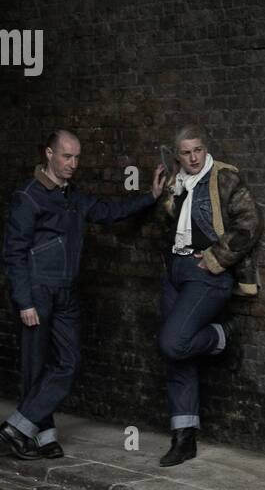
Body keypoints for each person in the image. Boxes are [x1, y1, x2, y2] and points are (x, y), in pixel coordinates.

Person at [1, 130, 165, 460]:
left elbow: (108, 212)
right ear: (49, 154)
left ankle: (17, 429)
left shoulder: (73, 197)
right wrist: (25, 301)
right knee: (35, 367)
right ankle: (42, 437)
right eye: (66, 156)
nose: (73, 164)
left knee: (68, 362)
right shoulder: (28, 196)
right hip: (37, 292)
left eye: (77, 157)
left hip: (66, 293)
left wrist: (151, 196)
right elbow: (13, 253)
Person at [157, 125, 263, 468]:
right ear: (178, 156)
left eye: (197, 151)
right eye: (186, 153)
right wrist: (160, 197)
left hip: (207, 273)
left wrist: (217, 258)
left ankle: (221, 335)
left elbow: (250, 223)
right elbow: (175, 226)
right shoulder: (179, 182)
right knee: (177, 356)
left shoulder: (225, 178)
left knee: (173, 342)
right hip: (176, 270)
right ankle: (184, 437)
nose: (192, 158)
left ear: (206, 149)